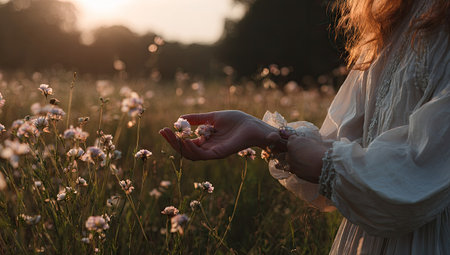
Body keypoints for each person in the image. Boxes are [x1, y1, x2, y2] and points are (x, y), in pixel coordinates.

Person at [160, 0, 449, 253]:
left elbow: (424, 168)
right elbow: (339, 147)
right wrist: (263, 132)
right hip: (367, 240)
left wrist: (326, 164)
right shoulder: (390, 15)